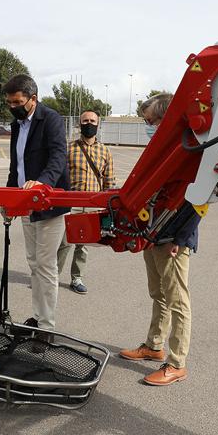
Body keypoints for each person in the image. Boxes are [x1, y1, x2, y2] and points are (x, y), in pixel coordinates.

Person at [119, 93, 200, 386]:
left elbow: (200, 198)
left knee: (178, 300)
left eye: (152, 121)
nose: (149, 126)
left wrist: (182, 236)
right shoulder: (165, 149)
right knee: (159, 294)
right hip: (153, 233)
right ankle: (154, 346)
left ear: (168, 118)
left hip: (175, 238)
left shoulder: (190, 148)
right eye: (146, 122)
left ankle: (177, 363)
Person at [3, 74, 69, 347]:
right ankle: (39, 316)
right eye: (9, 102)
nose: (13, 106)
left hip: (48, 204)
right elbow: (16, 166)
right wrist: (8, 200)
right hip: (26, 203)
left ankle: (46, 327)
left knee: (45, 265)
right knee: (34, 264)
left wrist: (43, 185)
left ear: (33, 99)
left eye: (18, 102)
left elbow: (58, 156)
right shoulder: (17, 125)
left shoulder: (51, 119)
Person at [56, 110, 114, 294]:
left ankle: (77, 278)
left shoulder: (105, 151)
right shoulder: (69, 148)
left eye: (92, 121)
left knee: (83, 245)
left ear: (98, 124)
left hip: (92, 204)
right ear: (79, 124)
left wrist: (109, 207)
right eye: (85, 121)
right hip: (71, 203)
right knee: (64, 242)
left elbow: (109, 181)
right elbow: (59, 175)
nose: (89, 124)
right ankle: (53, 277)